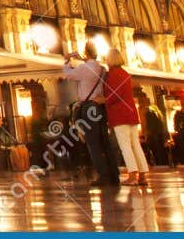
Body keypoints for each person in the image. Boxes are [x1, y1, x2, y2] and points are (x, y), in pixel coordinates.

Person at [61, 45, 117, 187]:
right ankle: (113, 174)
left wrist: (67, 61)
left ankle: (103, 175)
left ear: (86, 53)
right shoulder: (102, 69)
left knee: (93, 143)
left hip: (89, 108)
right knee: (105, 142)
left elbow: (68, 74)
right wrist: (82, 59)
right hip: (101, 107)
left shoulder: (85, 68)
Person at [103, 50, 148, 188]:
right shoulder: (125, 73)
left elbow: (114, 94)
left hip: (119, 114)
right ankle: (142, 174)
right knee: (135, 144)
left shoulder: (112, 74)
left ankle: (132, 174)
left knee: (125, 146)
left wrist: (103, 100)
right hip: (131, 113)